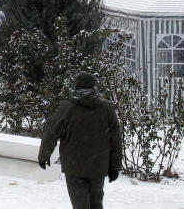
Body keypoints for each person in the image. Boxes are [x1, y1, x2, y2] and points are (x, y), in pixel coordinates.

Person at [39, 72, 123, 209]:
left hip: (74, 166)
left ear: (76, 87)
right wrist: (115, 166)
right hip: (98, 166)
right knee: (96, 204)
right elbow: (116, 139)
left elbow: (51, 132)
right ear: (95, 87)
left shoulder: (67, 108)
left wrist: (43, 155)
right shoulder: (106, 108)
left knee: (80, 205)